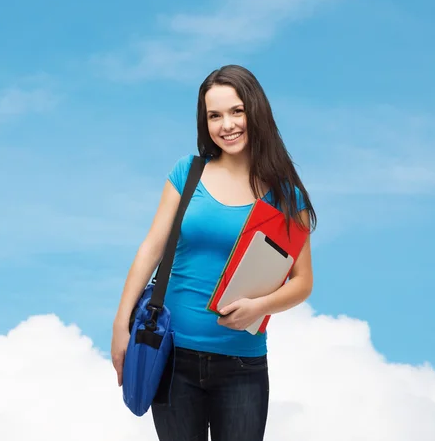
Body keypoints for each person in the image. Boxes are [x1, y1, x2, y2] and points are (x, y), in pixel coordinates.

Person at [111, 64, 317, 441]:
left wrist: (259, 306)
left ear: (256, 111)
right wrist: (120, 325)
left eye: (236, 111)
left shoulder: (286, 197)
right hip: (171, 357)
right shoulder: (188, 173)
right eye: (214, 115)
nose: (227, 124)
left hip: (242, 365)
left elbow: (303, 282)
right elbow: (151, 248)